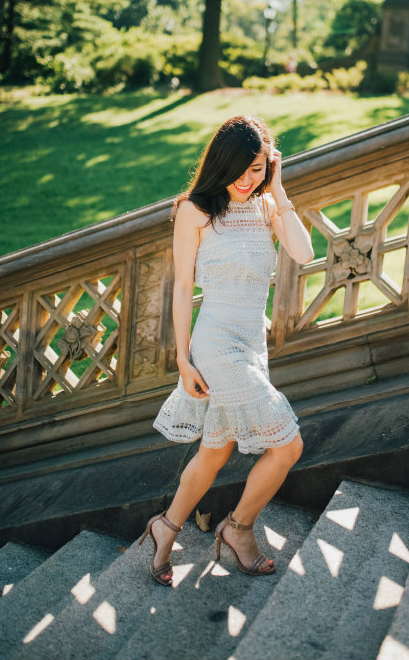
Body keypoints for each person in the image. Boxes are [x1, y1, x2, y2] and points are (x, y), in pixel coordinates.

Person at [140, 115, 314, 585]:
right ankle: (238, 529)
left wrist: (278, 188)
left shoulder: (266, 206)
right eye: (239, 169)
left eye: (256, 169)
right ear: (220, 163)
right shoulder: (195, 210)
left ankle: (165, 527)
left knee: (215, 452)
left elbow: (304, 253)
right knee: (288, 444)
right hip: (215, 345)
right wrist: (182, 360)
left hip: (252, 344)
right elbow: (182, 289)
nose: (246, 179)